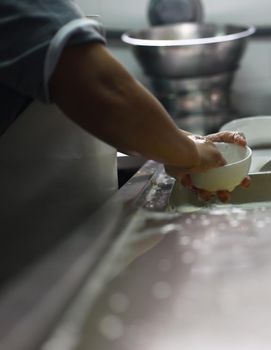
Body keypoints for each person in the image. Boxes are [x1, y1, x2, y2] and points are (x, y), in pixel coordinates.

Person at [0, 0, 248, 285]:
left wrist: (185, 144)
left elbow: (96, 109)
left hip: (77, 246)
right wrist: (189, 153)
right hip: (24, 267)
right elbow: (106, 94)